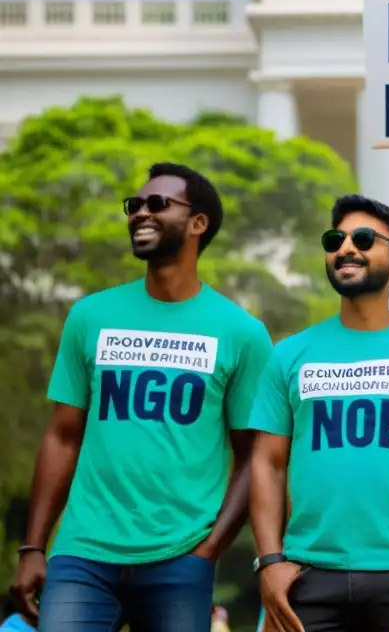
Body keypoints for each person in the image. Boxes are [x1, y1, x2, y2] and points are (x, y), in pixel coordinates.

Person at [9, 163, 274, 631]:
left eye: (158, 204)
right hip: (83, 551)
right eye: (134, 206)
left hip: (180, 556)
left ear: (198, 223)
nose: (139, 214)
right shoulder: (91, 315)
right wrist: (33, 547)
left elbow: (256, 457)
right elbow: (63, 436)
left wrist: (208, 550)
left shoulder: (242, 333)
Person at [249, 194, 389, 632]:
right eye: (336, 239)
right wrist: (270, 561)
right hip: (306, 575)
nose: (346, 248)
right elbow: (266, 462)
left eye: (364, 239)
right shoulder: (288, 354)